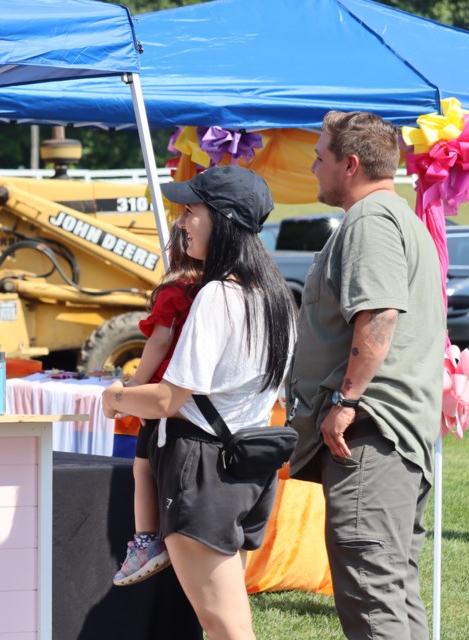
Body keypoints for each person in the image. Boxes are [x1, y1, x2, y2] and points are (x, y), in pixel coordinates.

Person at [101, 165, 296, 640]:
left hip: (202, 470)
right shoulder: (277, 297)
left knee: (226, 627)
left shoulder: (216, 296)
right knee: (229, 621)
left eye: (191, 211)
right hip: (249, 466)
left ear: (223, 219)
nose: (182, 221)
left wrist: (118, 398)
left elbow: (169, 398)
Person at [287, 111, 445, 640]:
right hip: (393, 438)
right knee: (392, 588)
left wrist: (346, 400)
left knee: (371, 597)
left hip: (371, 437)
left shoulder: (370, 220)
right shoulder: (396, 218)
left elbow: (377, 314)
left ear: (350, 164)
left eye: (320, 156)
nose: (313, 168)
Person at [113, 223, 202, 586]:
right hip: (199, 397)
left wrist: (134, 385)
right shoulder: (216, 290)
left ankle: (147, 539)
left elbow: (159, 341)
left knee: (142, 469)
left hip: (163, 393)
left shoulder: (174, 291)